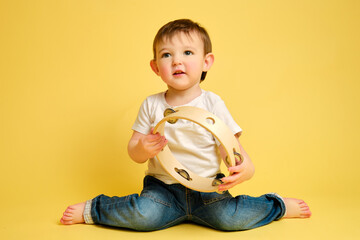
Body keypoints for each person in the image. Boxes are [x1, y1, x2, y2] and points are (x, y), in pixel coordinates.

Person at [60, 19, 311, 231]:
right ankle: (94, 209)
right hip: (163, 191)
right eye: (167, 55)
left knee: (231, 218)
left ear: (206, 62)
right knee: (144, 215)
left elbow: (228, 145)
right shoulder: (151, 104)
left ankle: (277, 205)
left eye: (187, 53)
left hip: (208, 190)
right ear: (156, 67)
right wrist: (143, 148)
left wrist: (246, 167)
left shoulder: (213, 102)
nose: (177, 61)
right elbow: (134, 150)